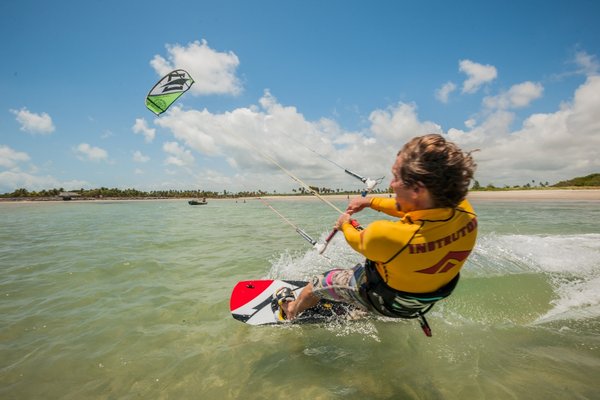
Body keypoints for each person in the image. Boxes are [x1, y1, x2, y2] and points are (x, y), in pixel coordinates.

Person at [277, 134, 478, 335]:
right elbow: (417, 207)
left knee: (317, 284)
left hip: (383, 301)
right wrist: (370, 202)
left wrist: (344, 224)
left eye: (396, 177)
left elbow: (355, 239)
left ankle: (292, 310)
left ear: (417, 190)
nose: (391, 184)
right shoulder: (466, 213)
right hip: (416, 304)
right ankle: (360, 309)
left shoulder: (385, 236)